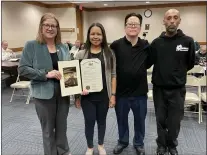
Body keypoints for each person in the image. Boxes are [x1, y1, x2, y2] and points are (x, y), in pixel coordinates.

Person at [18, 13, 72, 155]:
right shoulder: (32, 45)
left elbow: (70, 69)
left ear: (57, 29)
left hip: (63, 93)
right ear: (41, 27)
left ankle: (64, 152)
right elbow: (22, 68)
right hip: (43, 94)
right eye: (47, 25)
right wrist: (45, 74)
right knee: (48, 130)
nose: (50, 28)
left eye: (53, 26)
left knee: (62, 127)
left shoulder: (63, 47)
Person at [150, 9, 195, 155]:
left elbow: (190, 63)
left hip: (177, 90)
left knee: (174, 122)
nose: (172, 21)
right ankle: (161, 145)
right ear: (164, 21)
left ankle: (172, 145)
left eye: (175, 18)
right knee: (161, 120)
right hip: (159, 90)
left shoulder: (188, 41)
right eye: (168, 18)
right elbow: (151, 61)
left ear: (179, 21)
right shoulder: (156, 43)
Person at [110, 13, 152, 155]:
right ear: (125, 27)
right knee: (121, 120)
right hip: (121, 93)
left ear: (140, 28)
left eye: (136, 24)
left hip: (140, 92)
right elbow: (110, 67)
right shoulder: (116, 45)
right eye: (130, 23)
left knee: (140, 121)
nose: (133, 26)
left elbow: (149, 63)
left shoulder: (146, 45)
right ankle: (122, 141)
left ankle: (139, 143)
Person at [75, 22, 116, 155]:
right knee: (89, 122)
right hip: (87, 97)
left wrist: (113, 95)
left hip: (104, 95)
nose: (95, 36)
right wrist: (77, 95)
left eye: (99, 34)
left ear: (103, 36)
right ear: (88, 36)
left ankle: (101, 145)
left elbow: (114, 75)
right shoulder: (81, 54)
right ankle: (90, 147)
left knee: (102, 121)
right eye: (93, 34)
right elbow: (75, 76)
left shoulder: (109, 53)